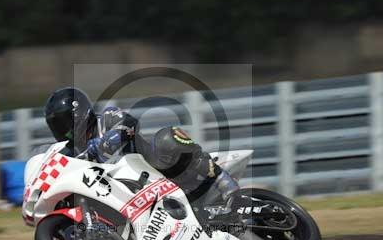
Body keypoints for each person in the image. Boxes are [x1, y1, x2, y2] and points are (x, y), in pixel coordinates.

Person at [44, 87, 241, 209]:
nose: (63, 130)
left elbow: (130, 123)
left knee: (167, 136)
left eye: (64, 122)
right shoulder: (71, 154)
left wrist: (104, 143)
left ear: (79, 114)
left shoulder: (107, 118)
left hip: (157, 170)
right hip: (125, 197)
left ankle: (224, 182)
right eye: (57, 125)